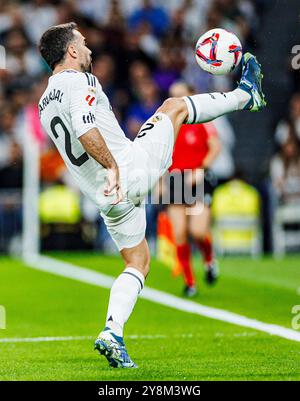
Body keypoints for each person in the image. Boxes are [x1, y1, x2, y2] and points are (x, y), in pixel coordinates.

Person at [38, 22, 265, 368]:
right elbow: (85, 129)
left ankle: (112, 331)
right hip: (126, 173)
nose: (89, 49)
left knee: (138, 262)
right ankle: (245, 96)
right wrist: (114, 167)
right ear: (70, 51)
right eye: (83, 44)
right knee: (174, 106)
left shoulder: (43, 103)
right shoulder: (80, 81)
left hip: (107, 200)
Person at [166, 81, 221, 297]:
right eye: (172, 96)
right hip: (176, 180)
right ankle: (190, 282)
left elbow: (215, 147)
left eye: (180, 95)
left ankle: (209, 260)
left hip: (198, 179)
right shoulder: (168, 121)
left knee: (197, 231)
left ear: (191, 95)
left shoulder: (204, 120)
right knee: (179, 233)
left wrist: (201, 167)